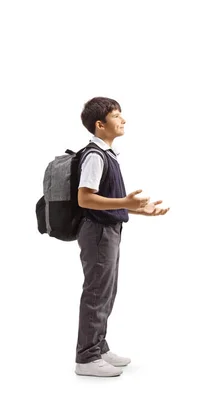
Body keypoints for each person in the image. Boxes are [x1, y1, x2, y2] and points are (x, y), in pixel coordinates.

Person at [75, 97, 170, 377]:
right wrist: (126, 204)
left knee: (106, 291)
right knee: (96, 292)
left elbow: (109, 201)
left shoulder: (107, 154)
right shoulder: (94, 155)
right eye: (117, 115)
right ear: (100, 124)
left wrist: (138, 209)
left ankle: (99, 348)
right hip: (97, 232)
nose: (123, 120)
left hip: (108, 230)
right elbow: (85, 199)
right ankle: (87, 358)